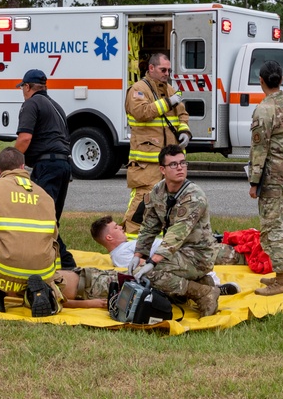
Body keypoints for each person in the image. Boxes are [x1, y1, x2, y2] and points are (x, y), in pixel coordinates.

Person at [0, 147, 62, 317]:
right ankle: (39, 292)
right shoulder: (45, 195)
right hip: (42, 270)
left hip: (4, 267)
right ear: (23, 167)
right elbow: (54, 235)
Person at [133, 144, 221, 317]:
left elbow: (178, 233)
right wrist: (138, 255)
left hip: (199, 255)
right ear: (162, 169)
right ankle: (202, 282)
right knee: (142, 271)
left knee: (152, 273)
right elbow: (149, 227)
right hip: (178, 253)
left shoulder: (194, 196)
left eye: (183, 163)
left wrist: (152, 261)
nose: (180, 167)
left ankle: (204, 294)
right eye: (173, 164)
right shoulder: (158, 191)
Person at [247, 60, 283, 296]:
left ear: (261, 81)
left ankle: (282, 280)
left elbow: (259, 150)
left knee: (272, 228)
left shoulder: (264, 109)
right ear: (280, 80)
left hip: (275, 177)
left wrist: (254, 182)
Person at [14, 69, 77, 269]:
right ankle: (56, 261)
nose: (22, 91)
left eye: (23, 87)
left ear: (27, 87)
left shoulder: (31, 104)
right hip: (63, 164)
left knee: (40, 217)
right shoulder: (55, 106)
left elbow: (25, 138)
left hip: (47, 165)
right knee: (51, 218)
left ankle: (65, 262)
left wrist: (10, 162)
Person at [123, 53, 191, 238]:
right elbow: (142, 112)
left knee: (168, 204)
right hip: (146, 162)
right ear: (151, 68)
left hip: (168, 162)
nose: (166, 74)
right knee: (143, 202)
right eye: (163, 70)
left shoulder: (170, 89)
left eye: (168, 70)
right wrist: (169, 102)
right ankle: (130, 243)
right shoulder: (138, 90)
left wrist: (184, 131)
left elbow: (182, 115)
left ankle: (158, 244)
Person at [89, 215, 241, 295]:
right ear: (109, 237)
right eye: (116, 228)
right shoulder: (120, 254)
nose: (121, 228)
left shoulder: (124, 246)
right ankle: (215, 287)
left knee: (236, 245)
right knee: (233, 253)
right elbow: (139, 267)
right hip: (177, 255)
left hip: (178, 249)